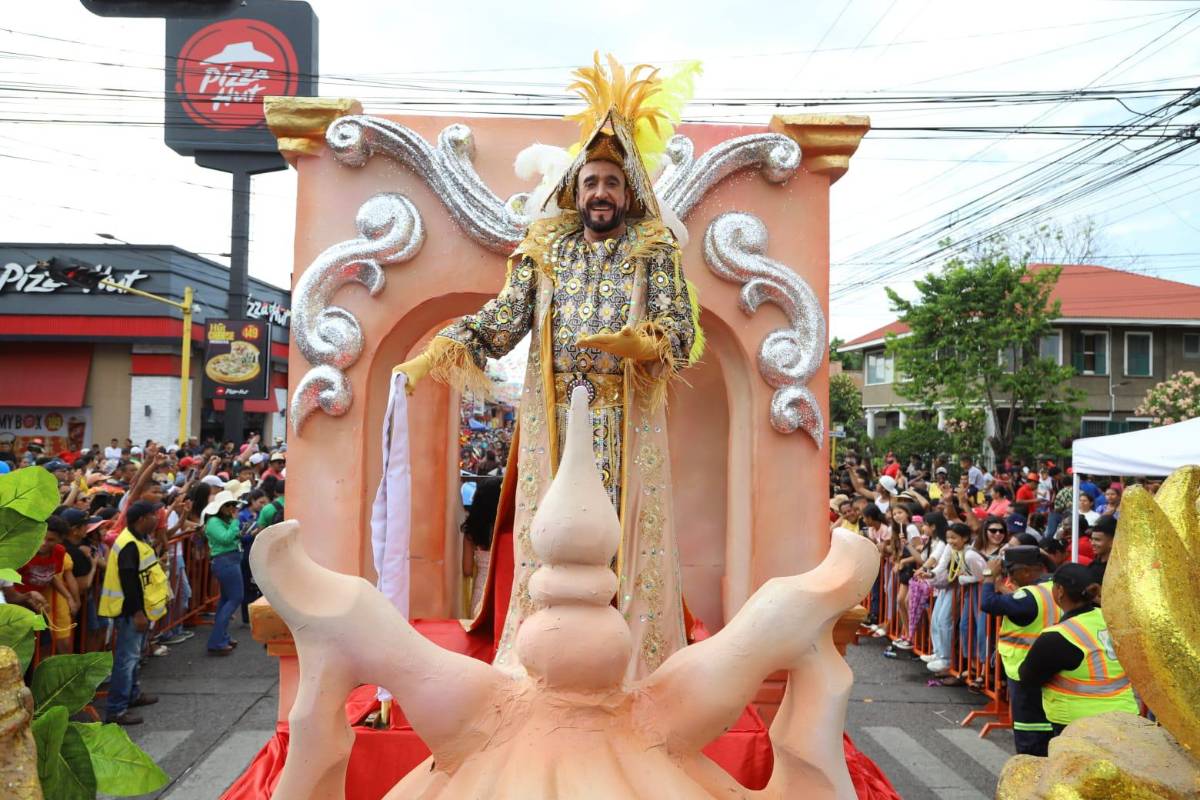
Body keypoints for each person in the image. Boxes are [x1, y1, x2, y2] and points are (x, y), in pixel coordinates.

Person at [391, 60, 699, 679]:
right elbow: (504, 320)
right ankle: (549, 659)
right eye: (591, 183)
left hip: (622, 414)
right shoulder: (545, 251)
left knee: (618, 540)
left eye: (612, 182)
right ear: (575, 190)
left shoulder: (652, 249)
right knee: (557, 540)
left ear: (629, 190)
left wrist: (641, 345)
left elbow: (681, 331)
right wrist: (438, 351)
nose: (601, 194)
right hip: (556, 417)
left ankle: (631, 663)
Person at [1019, 563, 1138, 736]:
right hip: (1125, 717)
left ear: (1059, 591)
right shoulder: (1110, 619)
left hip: (1079, 726)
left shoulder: (1058, 636)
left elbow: (1028, 677)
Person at [982, 545, 1061, 756]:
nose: (1009, 577)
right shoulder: (1057, 588)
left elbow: (988, 604)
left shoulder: (1029, 596)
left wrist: (989, 576)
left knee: (1030, 732)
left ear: (1026, 571)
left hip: (1026, 671)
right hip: (1055, 669)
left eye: (1010, 572)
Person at [98, 501, 166, 725]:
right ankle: (116, 709)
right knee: (126, 660)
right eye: (153, 515)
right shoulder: (129, 544)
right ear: (141, 519)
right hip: (129, 612)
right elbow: (128, 581)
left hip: (138, 610)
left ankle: (133, 695)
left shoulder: (139, 539)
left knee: (134, 657)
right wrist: (137, 613)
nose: (157, 519)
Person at [925, 522, 986, 674]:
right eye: (948, 538)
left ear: (965, 538)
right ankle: (940, 653)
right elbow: (942, 566)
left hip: (977, 592)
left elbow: (982, 577)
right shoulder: (952, 549)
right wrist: (930, 573)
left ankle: (947, 659)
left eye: (954, 538)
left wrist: (962, 579)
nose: (950, 541)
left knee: (947, 621)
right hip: (965, 589)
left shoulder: (970, 554)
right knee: (938, 619)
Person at [202, 490, 243, 655]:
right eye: (229, 505)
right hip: (225, 562)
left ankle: (221, 637)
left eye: (233, 505)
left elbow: (229, 538)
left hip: (229, 560)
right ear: (220, 507)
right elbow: (226, 538)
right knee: (235, 598)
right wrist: (235, 523)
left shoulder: (221, 520)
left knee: (226, 599)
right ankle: (217, 640)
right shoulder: (213, 522)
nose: (232, 508)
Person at [462, 477, 501, 615]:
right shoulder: (507, 529)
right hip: (503, 591)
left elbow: (467, 570)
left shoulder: (472, 530)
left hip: (481, 592)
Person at [1086, 516, 1117, 592]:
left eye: (1097, 540)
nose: (1092, 543)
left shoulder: (1120, 569)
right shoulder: (1092, 566)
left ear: (1112, 541)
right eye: (1092, 539)